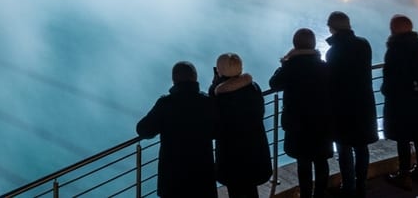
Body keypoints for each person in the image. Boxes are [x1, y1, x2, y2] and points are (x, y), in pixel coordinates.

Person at [136, 61, 218, 197]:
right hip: (202, 175)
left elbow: (143, 130)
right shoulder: (206, 102)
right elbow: (217, 131)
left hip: (173, 178)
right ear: (195, 78)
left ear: (174, 79)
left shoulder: (165, 104)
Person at [269, 28, 332, 198]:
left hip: (298, 124)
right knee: (321, 161)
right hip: (323, 122)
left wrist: (285, 61)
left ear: (295, 45)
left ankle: (305, 195)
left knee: (303, 163)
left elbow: (274, 84)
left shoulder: (290, 67)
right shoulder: (324, 66)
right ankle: (321, 193)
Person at [381, 14, 418, 190]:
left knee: (403, 139)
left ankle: (404, 175)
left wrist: (386, 91)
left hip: (401, 104)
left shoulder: (394, 50)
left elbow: (391, 80)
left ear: (394, 29)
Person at [325, 11, 378, 198]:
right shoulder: (364, 44)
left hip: (342, 107)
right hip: (363, 103)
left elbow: (332, 81)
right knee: (362, 147)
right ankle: (361, 185)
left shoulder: (333, 51)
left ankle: (349, 187)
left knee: (344, 148)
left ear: (332, 28)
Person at [209, 53, 273, 198]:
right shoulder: (254, 88)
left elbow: (214, 129)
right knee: (251, 191)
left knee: (237, 192)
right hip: (255, 153)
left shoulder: (220, 98)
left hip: (232, 160)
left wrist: (214, 88)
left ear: (219, 71)